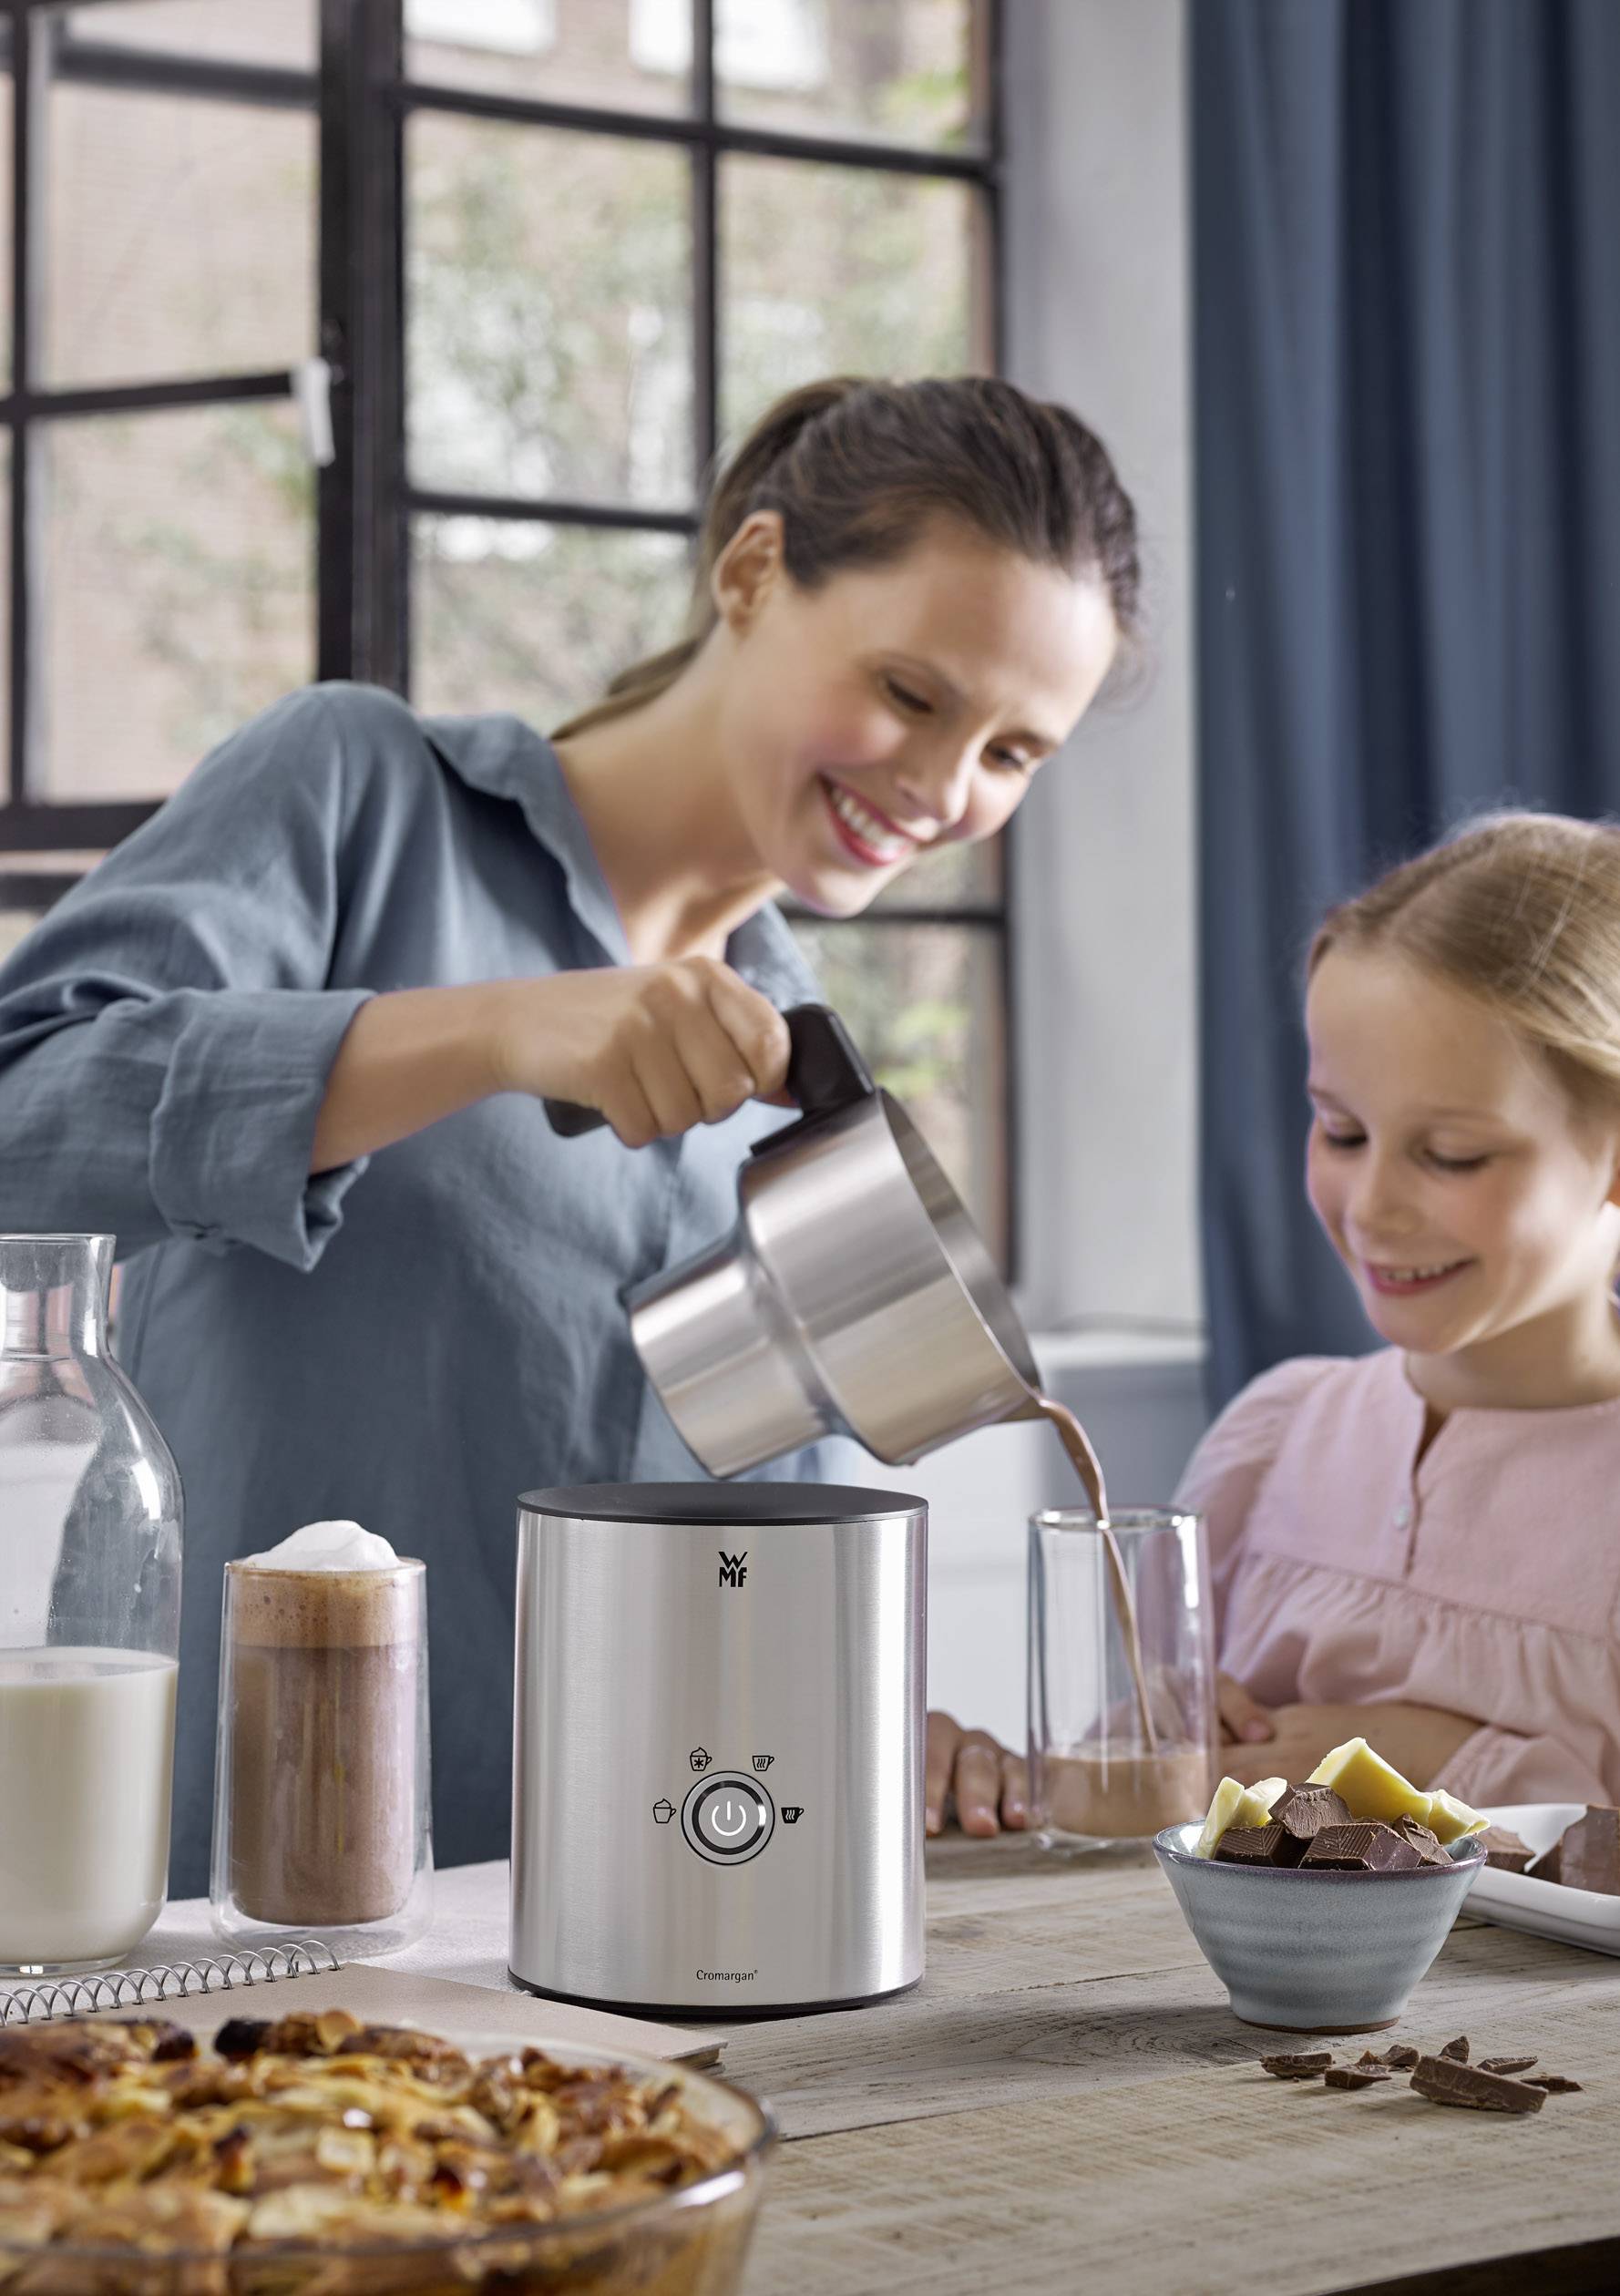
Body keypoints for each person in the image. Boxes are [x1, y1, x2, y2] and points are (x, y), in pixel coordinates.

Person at [0, 374, 1139, 1892]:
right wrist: (489, 1029)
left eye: (1011, 755)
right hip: (232, 1909)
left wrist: (884, 1728)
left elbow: (745, 1574)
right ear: (749, 572)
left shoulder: (805, 1085)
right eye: (912, 695)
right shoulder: (361, 798)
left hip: (624, 1936)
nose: (939, 789)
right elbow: (24, 1117)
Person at [933, 812, 1620, 1832]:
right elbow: (1129, 1819)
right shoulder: (1277, 1440)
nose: (1371, 1206)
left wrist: (1449, 1770)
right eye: (1339, 1130)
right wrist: (996, 1775)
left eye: (1451, 1156)